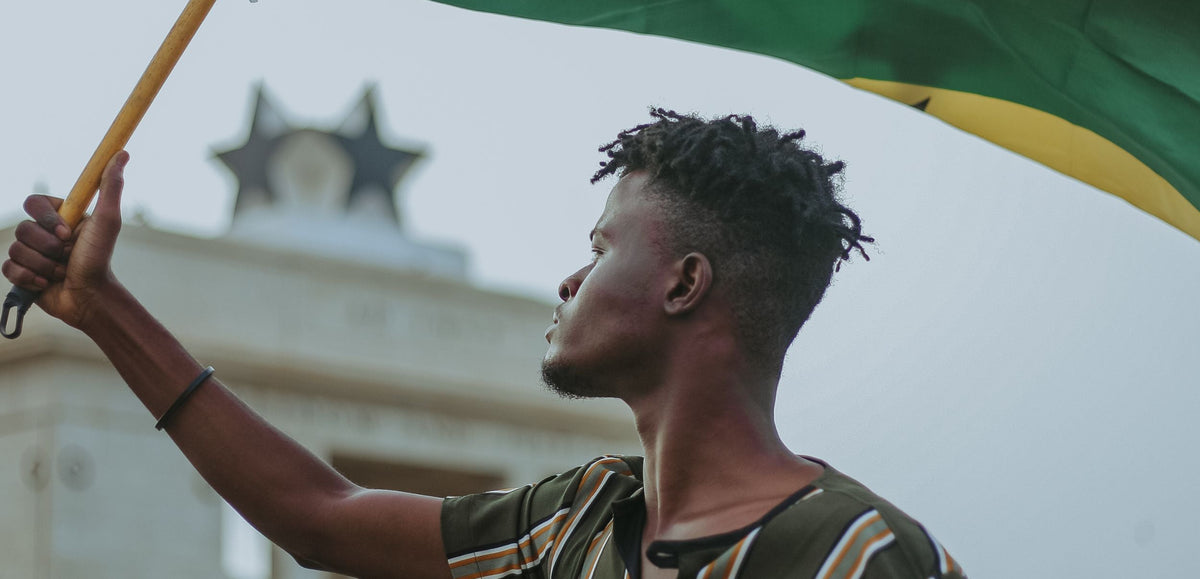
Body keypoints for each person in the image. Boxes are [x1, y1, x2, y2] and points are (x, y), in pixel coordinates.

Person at [3, 109, 965, 578]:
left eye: (600, 247)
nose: (569, 280)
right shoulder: (579, 520)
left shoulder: (847, 552)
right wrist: (101, 308)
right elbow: (319, 512)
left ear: (684, 284)